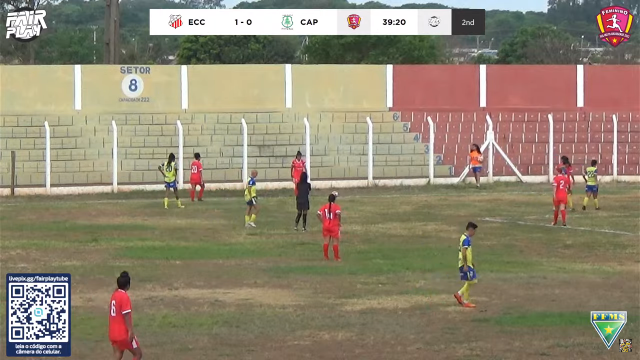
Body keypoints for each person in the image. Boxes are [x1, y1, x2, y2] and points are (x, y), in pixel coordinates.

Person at [109, 271, 142, 360]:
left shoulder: (114, 295)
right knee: (137, 354)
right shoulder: (124, 297)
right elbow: (126, 315)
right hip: (123, 333)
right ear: (128, 285)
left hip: (113, 333)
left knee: (118, 354)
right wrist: (130, 331)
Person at [454, 222, 478, 308]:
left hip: (468, 264)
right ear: (470, 230)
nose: (474, 233)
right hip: (465, 264)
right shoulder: (466, 240)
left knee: (470, 281)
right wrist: (465, 264)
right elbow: (464, 252)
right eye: (474, 231)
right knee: (472, 281)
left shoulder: (463, 237)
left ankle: (462, 297)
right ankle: (462, 296)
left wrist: (471, 262)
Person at [317, 193, 341, 261]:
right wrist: (339, 222)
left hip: (326, 226)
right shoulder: (336, 206)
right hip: (334, 226)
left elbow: (318, 214)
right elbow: (338, 214)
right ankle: (336, 257)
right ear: (334, 200)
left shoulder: (324, 206)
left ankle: (326, 256)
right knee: (335, 242)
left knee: (326, 241)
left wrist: (323, 221)